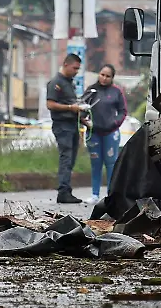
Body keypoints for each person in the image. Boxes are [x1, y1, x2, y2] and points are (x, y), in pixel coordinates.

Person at [46, 54, 90, 205]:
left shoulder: (70, 84)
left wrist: (83, 119)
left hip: (73, 124)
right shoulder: (56, 83)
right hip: (62, 126)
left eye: (78, 69)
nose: (76, 71)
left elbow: (73, 107)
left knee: (71, 159)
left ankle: (67, 190)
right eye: (74, 68)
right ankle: (63, 192)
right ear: (66, 64)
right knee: (66, 157)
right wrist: (71, 107)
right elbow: (50, 104)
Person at [83, 64, 128, 202]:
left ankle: (110, 195)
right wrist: (84, 121)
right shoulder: (91, 90)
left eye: (108, 76)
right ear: (99, 74)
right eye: (102, 74)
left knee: (111, 164)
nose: (104, 78)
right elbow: (81, 108)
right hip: (93, 133)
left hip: (111, 133)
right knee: (95, 163)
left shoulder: (116, 92)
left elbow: (123, 111)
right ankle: (95, 194)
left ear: (112, 78)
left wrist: (114, 123)